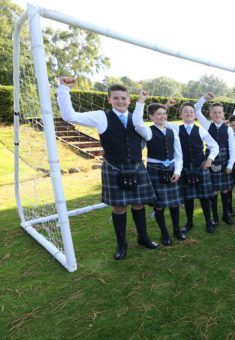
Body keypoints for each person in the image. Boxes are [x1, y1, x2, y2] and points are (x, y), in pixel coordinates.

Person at [56, 77, 158, 260]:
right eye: (116, 98)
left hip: (136, 166)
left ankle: (143, 238)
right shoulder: (101, 116)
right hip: (114, 168)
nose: (120, 101)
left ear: (129, 100)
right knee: (119, 208)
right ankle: (121, 245)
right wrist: (64, 89)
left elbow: (143, 136)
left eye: (124, 98)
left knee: (138, 204)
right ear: (109, 100)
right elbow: (69, 116)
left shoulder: (136, 116)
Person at [132, 94, 186, 245]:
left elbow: (178, 154)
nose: (162, 116)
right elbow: (137, 124)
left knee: (175, 203)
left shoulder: (172, 131)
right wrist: (140, 102)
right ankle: (164, 234)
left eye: (164, 113)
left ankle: (176, 229)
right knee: (159, 204)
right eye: (158, 114)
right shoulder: (148, 131)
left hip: (172, 168)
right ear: (151, 117)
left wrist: (177, 171)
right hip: (155, 168)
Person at [176, 102, 219, 234]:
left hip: (200, 167)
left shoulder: (201, 130)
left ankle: (208, 222)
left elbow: (214, 146)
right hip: (184, 168)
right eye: (185, 111)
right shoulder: (176, 129)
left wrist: (210, 159)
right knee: (188, 198)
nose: (188, 113)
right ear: (180, 115)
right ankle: (189, 223)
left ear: (194, 115)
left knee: (204, 197)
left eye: (191, 111)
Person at [194, 92, 235, 226]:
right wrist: (204, 99)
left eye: (220, 112)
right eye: (214, 112)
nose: (217, 115)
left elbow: (232, 148)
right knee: (213, 189)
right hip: (210, 158)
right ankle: (215, 217)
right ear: (210, 114)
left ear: (223, 114)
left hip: (224, 158)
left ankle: (225, 215)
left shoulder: (228, 129)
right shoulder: (207, 125)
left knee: (224, 189)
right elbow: (196, 109)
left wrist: (230, 164)